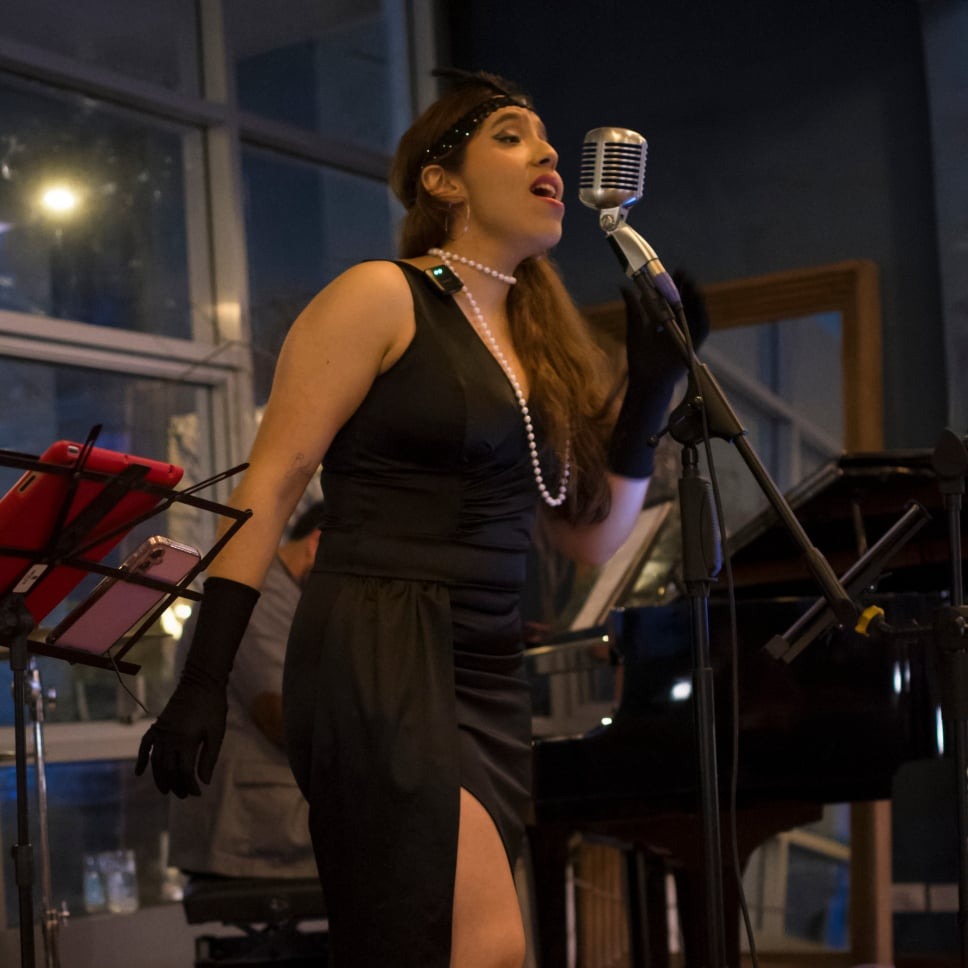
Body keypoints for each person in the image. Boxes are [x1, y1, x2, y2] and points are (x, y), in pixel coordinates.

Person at [136, 69, 697, 968]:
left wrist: (654, 389)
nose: (550, 153)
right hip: (379, 640)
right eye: (512, 136)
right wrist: (204, 678)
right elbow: (271, 486)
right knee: (480, 943)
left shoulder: (535, 343)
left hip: (486, 661)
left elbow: (591, 537)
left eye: (547, 139)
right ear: (442, 181)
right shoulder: (381, 295)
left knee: (436, 945)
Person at [166, 501, 325, 881]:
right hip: (251, 827)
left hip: (265, 817)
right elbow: (282, 718)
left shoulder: (286, 591)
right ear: (318, 543)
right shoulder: (262, 592)